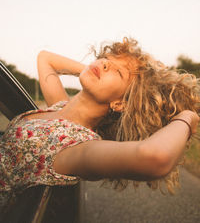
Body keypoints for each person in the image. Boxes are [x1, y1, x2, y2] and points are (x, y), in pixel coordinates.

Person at [0, 37, 199, 212]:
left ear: (120, 103)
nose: (105, 64)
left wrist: (188, 117)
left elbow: (155, 156)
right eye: (108, 59)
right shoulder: (59, 106)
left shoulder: (79, 146)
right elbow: (45, 57)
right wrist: (91, 70)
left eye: (119, 72)